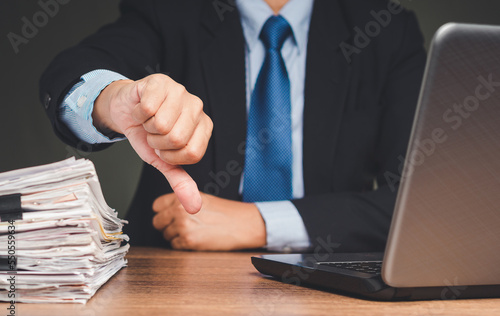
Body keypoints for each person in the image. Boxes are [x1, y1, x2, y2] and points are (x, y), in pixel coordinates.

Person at [40, 0, 426, 252]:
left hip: (332, 283)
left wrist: (258, 223)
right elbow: (73, 72)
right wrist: (114, 98)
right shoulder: (170, 12)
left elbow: (418, 201)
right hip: (171, 281)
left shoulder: (386, 30)